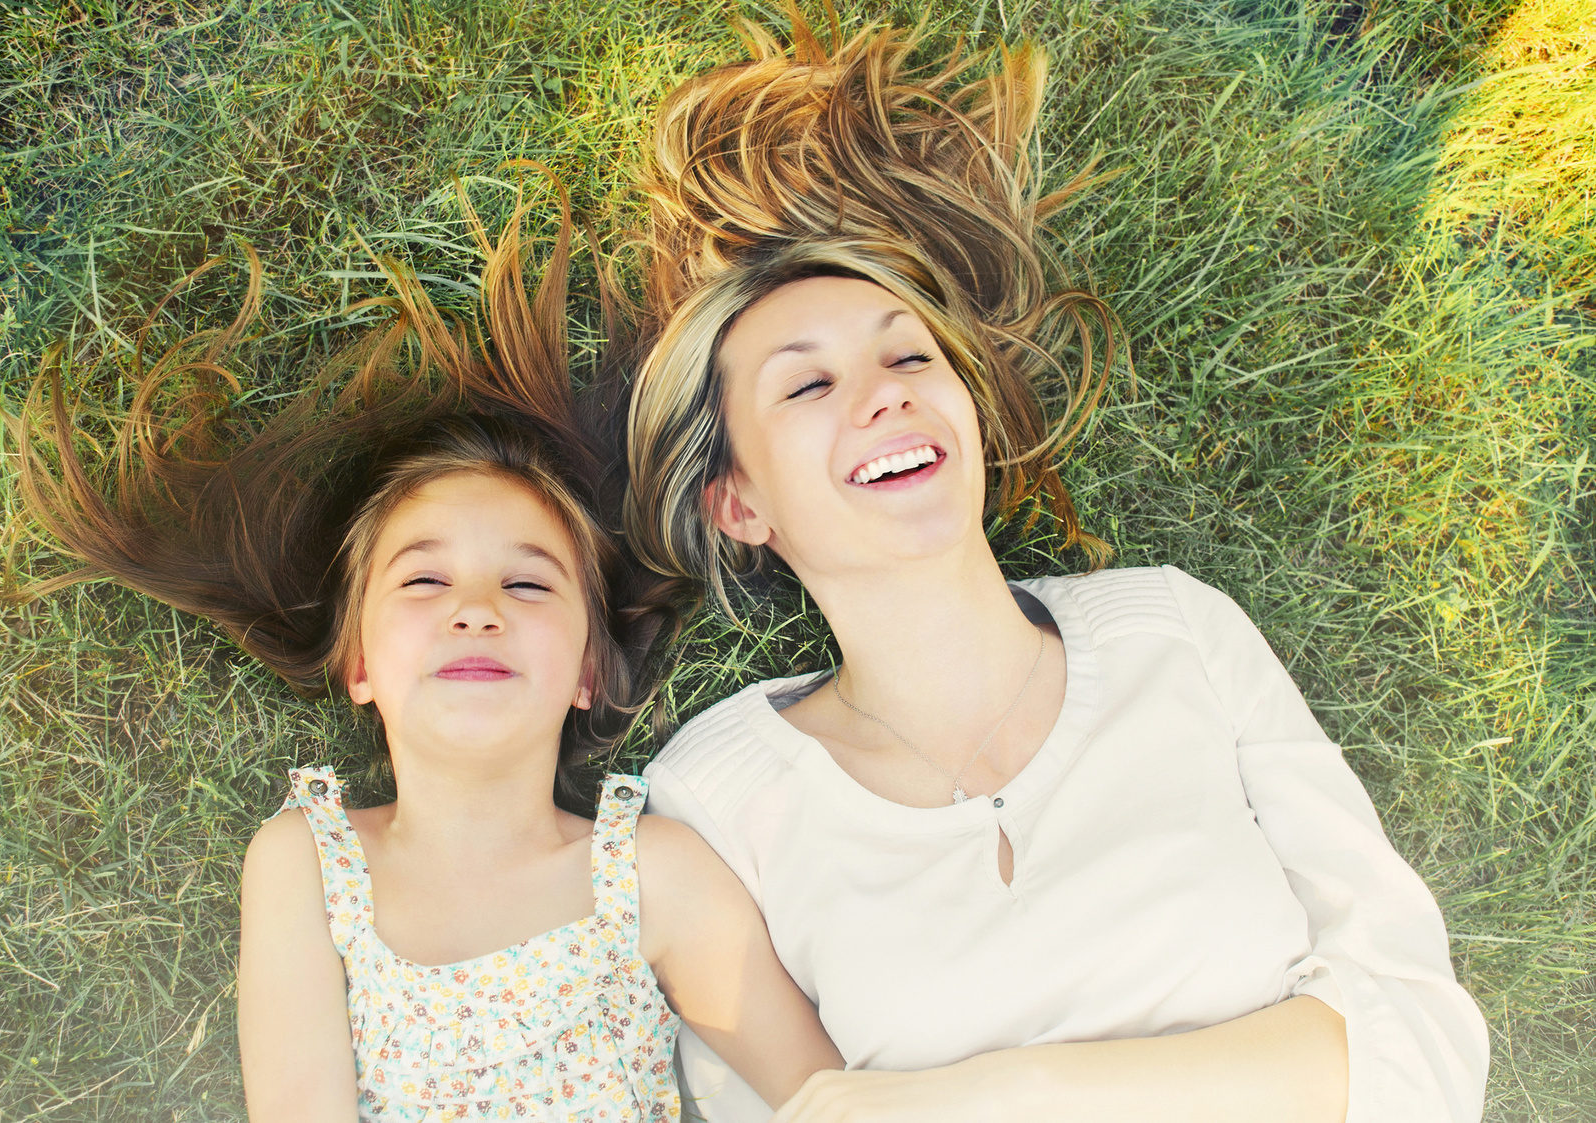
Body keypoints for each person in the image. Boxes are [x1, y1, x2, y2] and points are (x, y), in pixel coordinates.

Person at [615, 20, 1489, 1123]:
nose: (882, 393)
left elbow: (1414, 1037)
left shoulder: (1171, 633)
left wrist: (1005, 1087)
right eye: (805, 387)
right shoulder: (722, 795)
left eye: (905, 355)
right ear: (738, 503)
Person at [8, 189, 843, 1121]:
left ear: (586, 672)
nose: (476, 612)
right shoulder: (310, 865)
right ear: (360, 664)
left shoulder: (651, 873)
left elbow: (832, 1100)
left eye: (527, 585)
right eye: (422, 583)